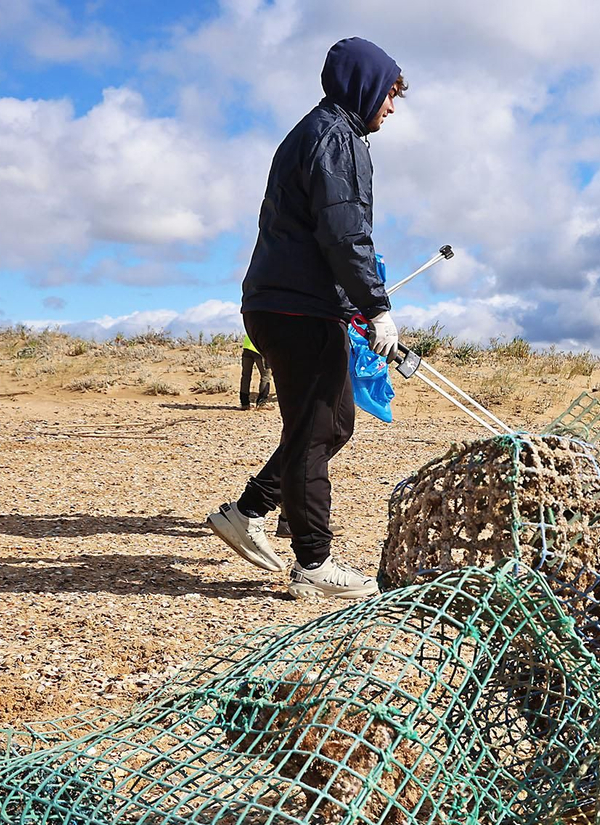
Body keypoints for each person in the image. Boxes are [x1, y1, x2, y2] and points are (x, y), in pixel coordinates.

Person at [206, 36, 405, 601]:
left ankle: (247, 510)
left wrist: (354, 309)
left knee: (332, 422)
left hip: (292, 301)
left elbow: (322, 237)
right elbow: (344, 233)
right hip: (295, 307)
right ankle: (314, 561)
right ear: (364, 85)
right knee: (316, 428)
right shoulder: (336, 137)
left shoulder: (319, 132)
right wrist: (377, 307)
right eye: (389, 94)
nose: (391, 108)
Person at [239, 334, 271, 410]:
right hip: (259, 349)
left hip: (247, 347)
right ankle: (261, 403)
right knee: (266, 375)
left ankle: (244, 403)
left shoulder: (254, 322)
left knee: (245, 376)